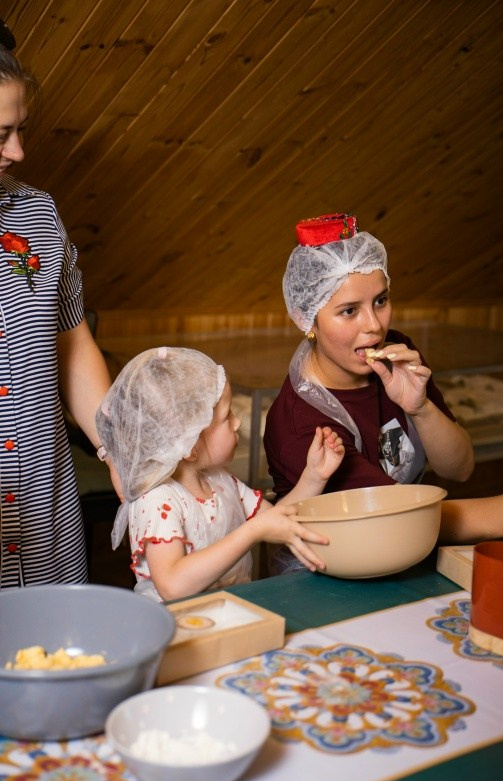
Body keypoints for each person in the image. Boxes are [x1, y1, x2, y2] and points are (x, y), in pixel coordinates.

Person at [263, 212, 474, 572]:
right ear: (305, 319)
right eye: (349, 311)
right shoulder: (303, 426)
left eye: (381, 300)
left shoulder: (398, 355)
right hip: (333, 578)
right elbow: (401, 519)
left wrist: (421, 407)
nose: (374, 326)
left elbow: (460, 468)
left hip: (404, 550)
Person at [0, 23, 118, 588]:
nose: (18, 152)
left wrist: (114, 447)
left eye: (21, 130)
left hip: (43, 498)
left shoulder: (38, 216)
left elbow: (71, 345)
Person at [95, 346, 345, 602]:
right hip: (180, 629)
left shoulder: (221, 481)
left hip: (229, 618)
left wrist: (314, 475)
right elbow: (172, 585)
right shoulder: (158, 501)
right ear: (189, 445)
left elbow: (277, 519)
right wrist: (252, 532)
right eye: (227, 417)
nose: (237, 423)